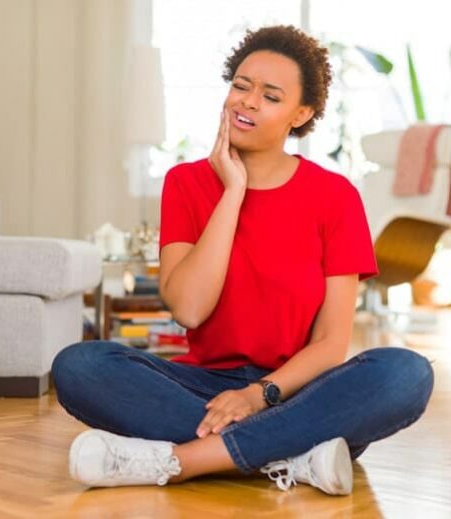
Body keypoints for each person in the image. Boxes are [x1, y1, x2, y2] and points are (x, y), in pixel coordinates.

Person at [51, 25, 435, 496]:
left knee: (406, 374)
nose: (248, 102)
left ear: (301, 114)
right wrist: (232, 192)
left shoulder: (335, 196)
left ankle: (180, 460)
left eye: (270, 96)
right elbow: (189, 310)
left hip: (295, 390)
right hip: (202, 388)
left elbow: (332, 342)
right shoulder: (187, 184)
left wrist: (259, 395)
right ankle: (297, 455)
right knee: (80, 366)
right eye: (241, 86)